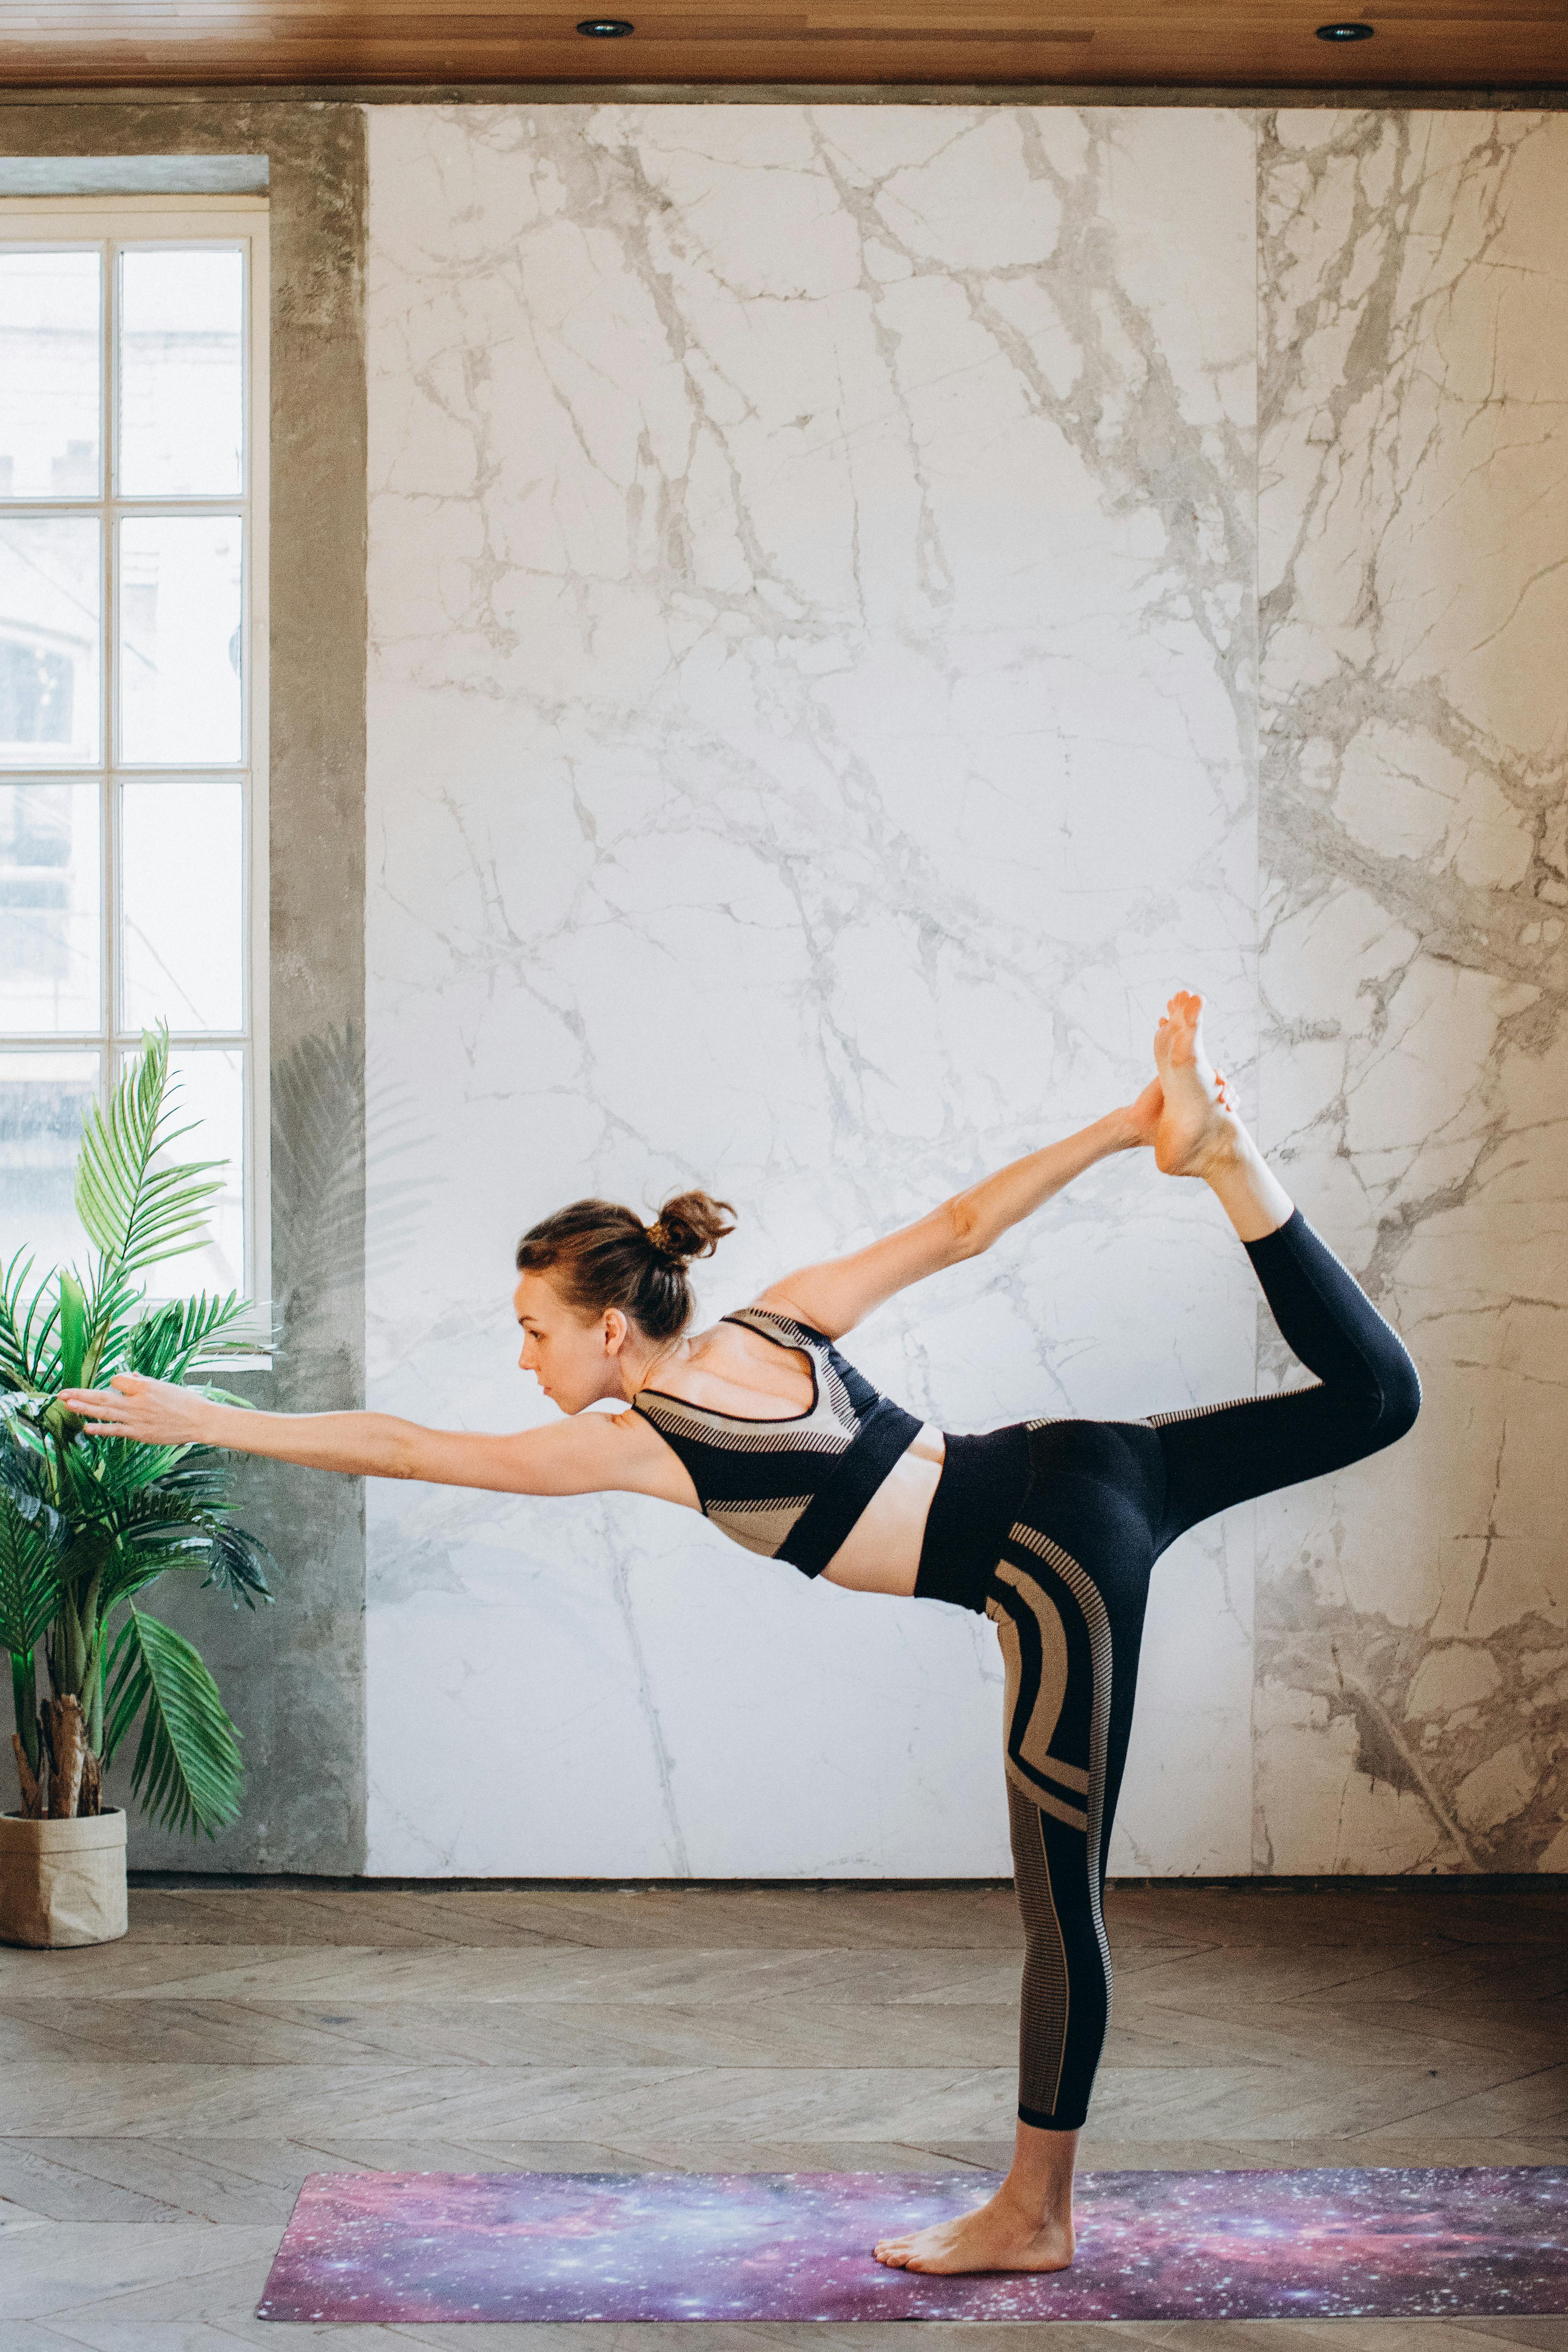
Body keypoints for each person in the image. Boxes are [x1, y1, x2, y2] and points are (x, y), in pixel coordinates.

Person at [63, 992, 1420, 2276]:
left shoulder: (652, 1442)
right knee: (1376, 1397)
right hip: (1090, 1464)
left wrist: (207, 1417)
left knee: (1061, 1907)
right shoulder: (779, 1320)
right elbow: (958, 1225)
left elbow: (413, 1450)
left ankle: (1033, 2212)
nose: (524, 1359)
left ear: (608, 1329)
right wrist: (1127, 1128)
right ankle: (1229, 1163)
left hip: (1051, 1561)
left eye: (533, 1332)